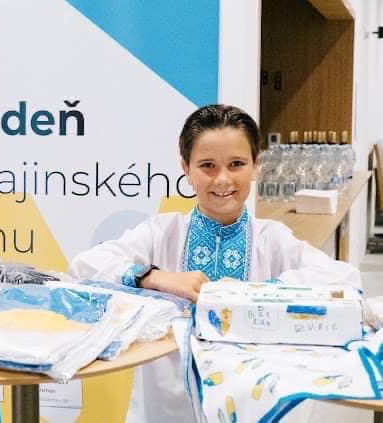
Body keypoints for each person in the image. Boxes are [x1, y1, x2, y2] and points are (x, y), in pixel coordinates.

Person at [68, 104, 361, 422]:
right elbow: (84, 266)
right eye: (207, 165)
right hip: (167, 408)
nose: (222, 179)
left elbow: (345, 278)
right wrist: (155, 277)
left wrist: (259, 294)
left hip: (251, 403)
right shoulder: (162, 233)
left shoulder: (271, 239)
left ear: (256, 165)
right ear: (186, 168)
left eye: (236, 164)